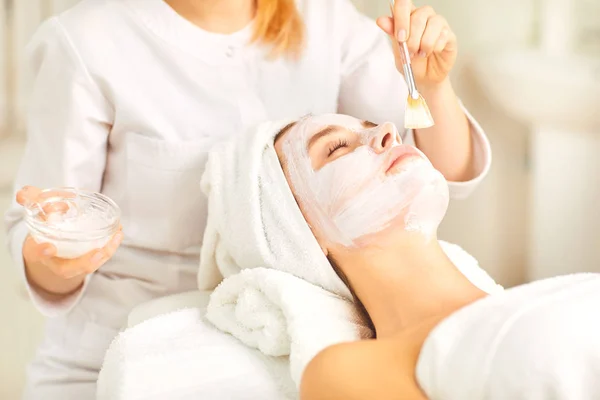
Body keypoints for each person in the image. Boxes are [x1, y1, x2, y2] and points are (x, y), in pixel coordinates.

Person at [5, 0, 491, 397]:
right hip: (113, 355)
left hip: (274, 343)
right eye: (339, 144)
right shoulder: (87, 41)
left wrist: (430, 86)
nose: (381, 136)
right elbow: (40, 236)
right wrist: (57, 253)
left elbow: (434, 171)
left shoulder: (325, 21)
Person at [255, 113, 599, 400]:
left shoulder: (549, 295)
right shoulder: (346, 371)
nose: (388, 130)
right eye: (336, 147)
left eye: (370, 125)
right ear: (300, 227)